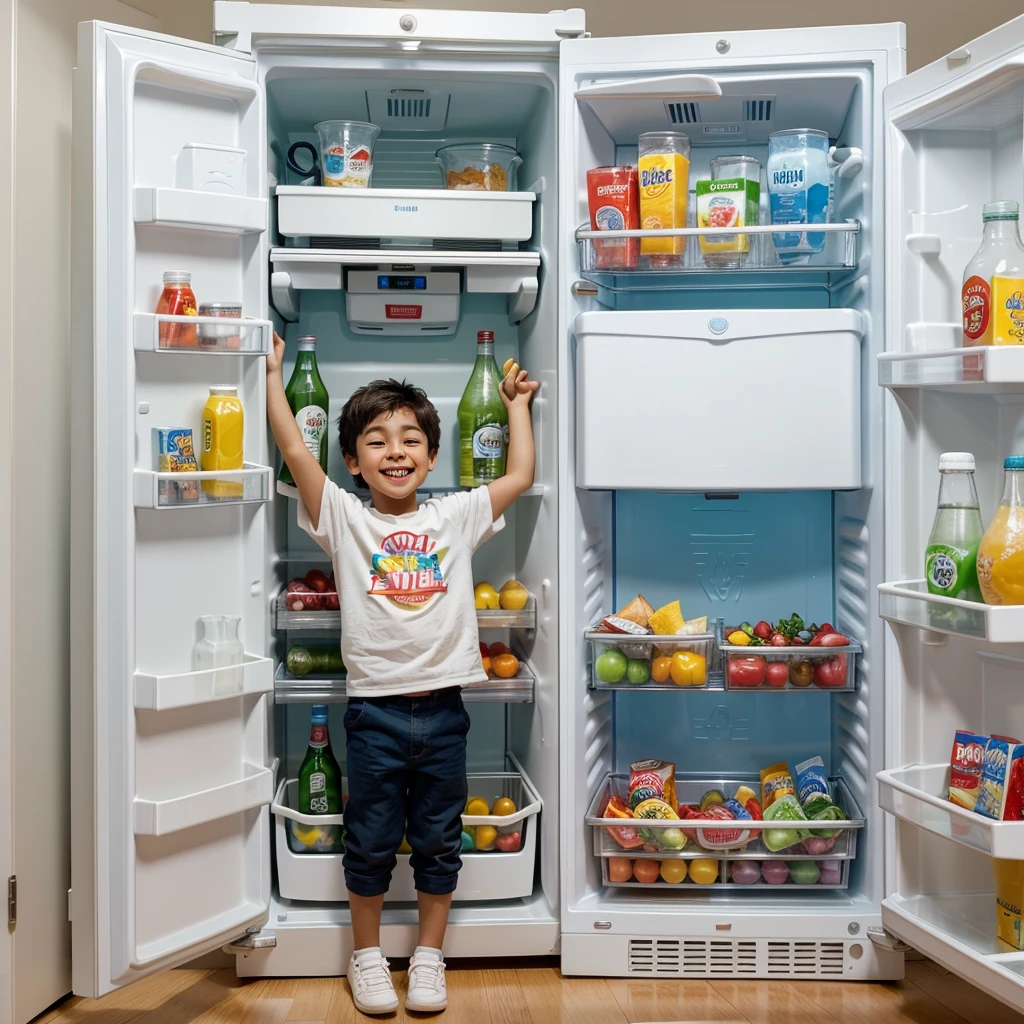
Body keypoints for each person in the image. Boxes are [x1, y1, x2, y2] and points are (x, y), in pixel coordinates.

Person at [266, 332, 538, 1014]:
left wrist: (517, 408)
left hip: (444, 710)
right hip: (375, 713)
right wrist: (269, 373)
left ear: (434, 456)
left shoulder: (456, 515)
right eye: (379, 441)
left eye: (411, 439)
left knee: (441, 840)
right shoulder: (344, 520)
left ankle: (427, 958)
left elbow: (520, 477)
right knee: (372, 839)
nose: (397, 452)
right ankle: (364, 959)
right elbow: (297, 451)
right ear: (354, 462)